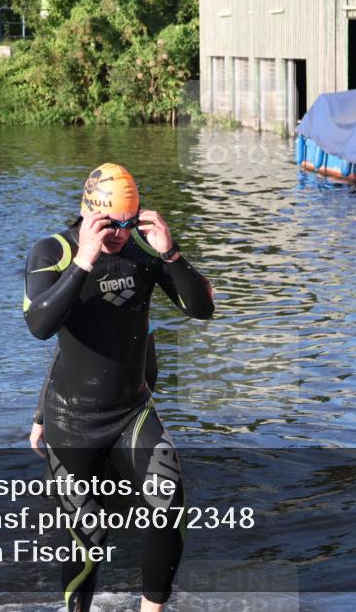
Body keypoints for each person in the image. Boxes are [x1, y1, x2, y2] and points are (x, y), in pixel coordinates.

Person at [24, 163, 214, 612]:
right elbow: (40, 326)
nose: (119, 235)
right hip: (72, 421)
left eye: (128, 224)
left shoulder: (145, 251)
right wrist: (85, 260)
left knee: (169, 506)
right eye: (110, 225)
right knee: (87, 534)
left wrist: (171, 254)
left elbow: (202, 309)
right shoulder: (53, 250)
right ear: (88, 213)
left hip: (132, 412)